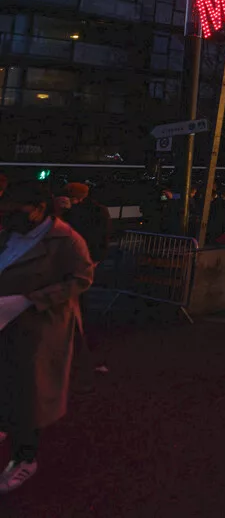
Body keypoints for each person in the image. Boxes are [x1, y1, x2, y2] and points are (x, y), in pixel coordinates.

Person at [0, 182, 95, 493]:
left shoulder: (66, 239)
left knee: (30, 393)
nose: (8, 216)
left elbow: (82, 278)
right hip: (5, 321)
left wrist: (30, 299)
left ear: (39, 209)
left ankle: (25, 459)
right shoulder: (9, 234)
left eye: (16, 211)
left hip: (39, 328)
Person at [58, 183, 112, 264]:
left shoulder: (71, 211)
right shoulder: (99, 210)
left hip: (80, 253)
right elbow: (105, 233)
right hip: (90, 253)